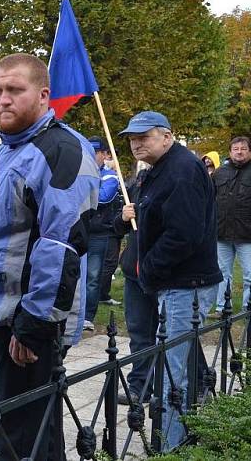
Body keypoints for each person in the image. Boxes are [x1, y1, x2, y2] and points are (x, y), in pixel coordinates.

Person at [0, 53, 100, 461]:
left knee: (28, 438)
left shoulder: (60, 148)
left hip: (29, 324)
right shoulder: (5, 151)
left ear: (43, 95)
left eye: (14, 90)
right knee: (12, 431)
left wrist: (34, 325)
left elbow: (61, 244)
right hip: (0, 315)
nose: (2, 100)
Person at [118, 111, 221, 451]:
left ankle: (170, 447)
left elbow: (183, 235)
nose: (135, 143)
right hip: (175, 282)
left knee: (172, 370)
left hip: (185, 283)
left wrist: (147, 268)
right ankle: (194, 422)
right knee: (179, 359)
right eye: (132, 137)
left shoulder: (180, 170)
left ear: (167, 136)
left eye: (143, 136)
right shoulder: (160, 169)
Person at [114, 161, 157, 406]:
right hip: (135, 269)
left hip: (163, 271)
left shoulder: (177, 179)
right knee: (139, 332)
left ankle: (177, 384)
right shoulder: (139, 182)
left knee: (170, 333)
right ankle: (139, 386)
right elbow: (117, 227)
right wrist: (123, 216)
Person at [83, 136, 122, 330]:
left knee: (92, 276)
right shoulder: (81, 171)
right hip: (80, 230)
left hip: (99, 233)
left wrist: (84, 190)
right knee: (77, 275)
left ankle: (87, 315)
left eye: (95, 153)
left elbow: (104, 198)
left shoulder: (110, 176)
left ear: (104, 155)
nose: (90, 156)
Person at [211, 136, 251, 316]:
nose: (239, 152)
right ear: (230, 152)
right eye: (236, 149)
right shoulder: (220, 173)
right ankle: (222, 308)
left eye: (243, 148)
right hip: (222, 232)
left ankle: (247, 308)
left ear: (249, 151)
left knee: (250, 274)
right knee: (221, 273)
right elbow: (209, 199)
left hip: (247, 234)